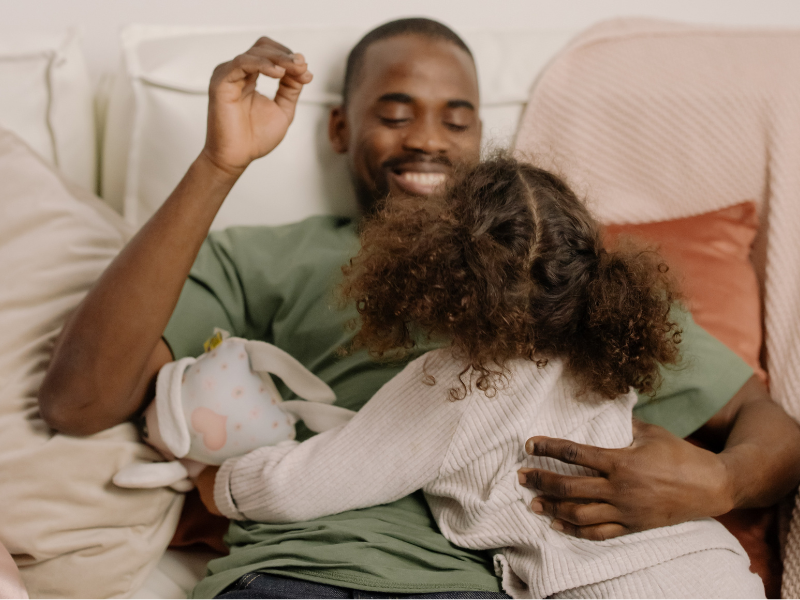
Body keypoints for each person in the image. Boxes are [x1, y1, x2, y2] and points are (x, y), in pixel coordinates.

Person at [39, 17, 800, 599]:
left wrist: (720, 483)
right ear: (340, 127)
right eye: (395, 114)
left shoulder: (563, 282)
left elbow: (770, 425)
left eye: (456, 119)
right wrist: (218, 165)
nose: (427, 140)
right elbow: (79, 401)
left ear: (485, 140)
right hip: (312, 572)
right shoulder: (268, 256)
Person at [203, 154, 765, 599]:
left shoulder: (453, 385)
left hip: (611, 589)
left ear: (436, 269)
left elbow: (306, 483)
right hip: (716, 567)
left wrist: (219, 482)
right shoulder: (607, 354)